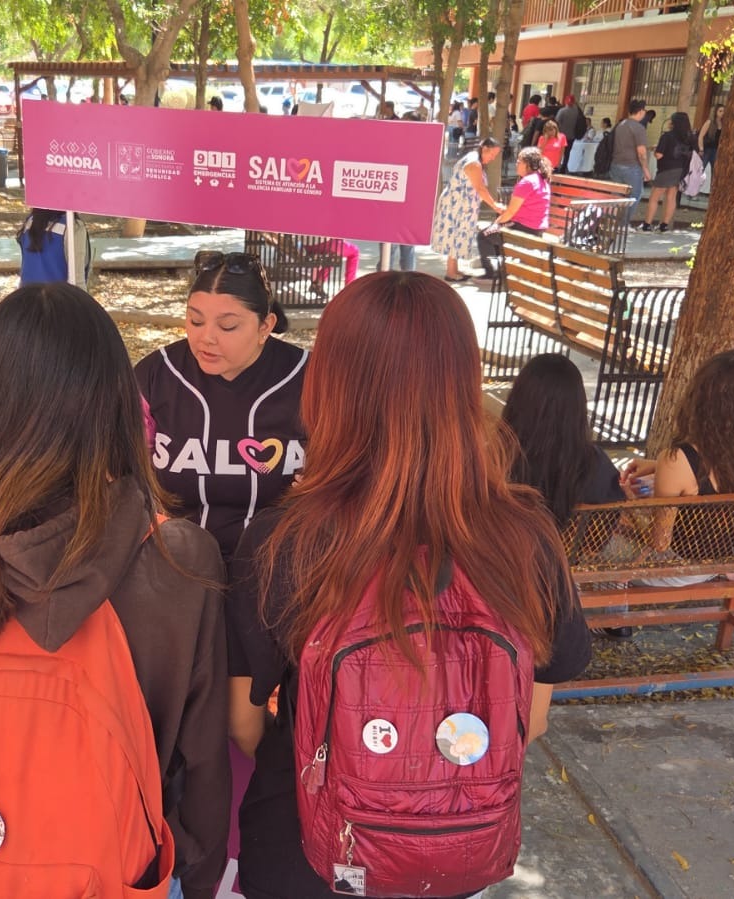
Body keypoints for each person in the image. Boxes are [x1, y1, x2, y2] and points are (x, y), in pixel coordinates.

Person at [225, 271, 591, 899]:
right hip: (452, 851)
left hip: (306, 852)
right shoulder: (526, 538)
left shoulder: (282, 542)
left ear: (331, 385)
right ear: (462, 384)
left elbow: (244, 721)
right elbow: (530, 722)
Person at [0, 282, 231, 899]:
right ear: (114, 402)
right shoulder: (178, 561)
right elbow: (202, 761)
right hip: (120, 873)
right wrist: (194, 877)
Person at [135, 250, 305, 559]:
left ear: (265, 326)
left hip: (279, 566)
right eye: (195, 321)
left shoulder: (310, 379)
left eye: (227, 326)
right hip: (173, 566)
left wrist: (325, 487)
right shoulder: (156, 375)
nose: (206, 338)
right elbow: (119, 475)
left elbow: (350, 472)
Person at [618, 350, 734, 576]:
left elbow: (659, 543)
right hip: (732, 551)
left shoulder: (676, 460)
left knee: (609, 539)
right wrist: (657, 466)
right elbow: (728, 461)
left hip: (681, 568)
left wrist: (631, 504)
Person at [502, 353, 625, 525]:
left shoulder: (495, 461)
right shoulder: (597, 466)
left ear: (516, 403)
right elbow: (608, 523)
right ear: (578, 411)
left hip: (509, 550)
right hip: (577, 550)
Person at [431, 137, 505, 282]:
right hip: (458, 205)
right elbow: (480, 189)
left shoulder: (474, 158)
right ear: (485, 149)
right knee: (455, 235)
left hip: (461, 204)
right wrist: (495, 206)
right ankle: (451, 272)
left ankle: (454, 269)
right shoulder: (474, 164)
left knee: (458, 236)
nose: (493, 158)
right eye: (492, 154)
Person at [477, 145, 551, 282]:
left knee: (483, 236)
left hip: (523, 227)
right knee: (493, 233)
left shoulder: (526, 182)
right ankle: (501, 268)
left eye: (519, 161)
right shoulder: (541, 179)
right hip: (537, 228)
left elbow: (511, 212)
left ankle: (492, 274)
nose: (516, 163)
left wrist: (495, 223)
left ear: (528, 164)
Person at [640, 110, 695, 233]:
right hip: (680, 170)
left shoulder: (667, 136)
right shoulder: (689, 137)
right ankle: (664, 225)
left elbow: (659, 155)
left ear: (674, 122)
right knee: (671, 197)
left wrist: (655, 150)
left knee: (654, 197)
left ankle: (646, 224)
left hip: (665, 169)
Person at [16, 207, 89, 286]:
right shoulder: (73, 227)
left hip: (27, 294)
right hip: (58, 296)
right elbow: (77, 280)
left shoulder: (31, 221)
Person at [609, 99, 652, 205]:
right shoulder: (639, 128)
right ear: (641, 111)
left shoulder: (621, 124)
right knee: (634, 196)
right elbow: (641, 152)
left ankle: (614, 220)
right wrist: (646, 170)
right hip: (632, 167)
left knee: (617, 196)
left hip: (616, 164)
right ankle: (624, 221)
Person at [696, 103, 723, 193]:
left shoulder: (724, 124)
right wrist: (701, 148)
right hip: (707, 149)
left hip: (716, 151)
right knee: (700, 170)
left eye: (723, 111)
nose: (722, 113)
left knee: (715, 172)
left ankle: (713, 192)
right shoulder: (709, 122)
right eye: (720, 111)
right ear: (715, 112)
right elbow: (701, 136)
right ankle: (693, 191)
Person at [554, 95, 583, 172]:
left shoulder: (562, 111)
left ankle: (556, 166)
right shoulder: (576, 111)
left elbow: (556, 122)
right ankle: (564, 167)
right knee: (567, 152)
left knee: (559, 151)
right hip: (571, 135)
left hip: (561, 135)